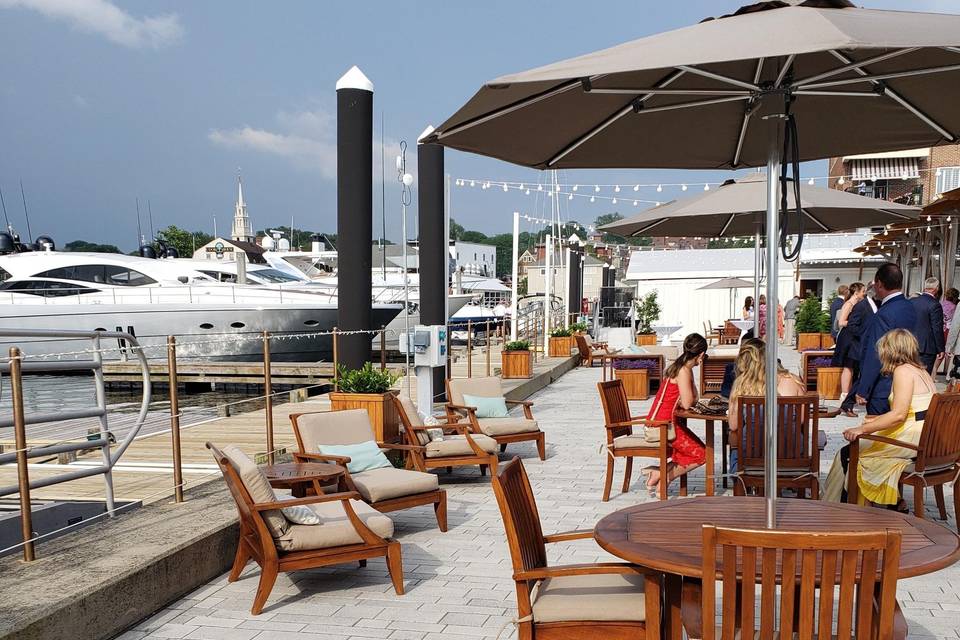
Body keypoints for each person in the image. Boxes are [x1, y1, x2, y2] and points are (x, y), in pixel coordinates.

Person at [823, 329, 935, 507]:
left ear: (890, 351)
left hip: (911, 441)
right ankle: (886, 503)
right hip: (925, 438)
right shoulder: (922, 371)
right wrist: (876, 422)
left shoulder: (903, 372)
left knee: (848, 454)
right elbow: (912, 412)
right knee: (857, 448)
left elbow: (899, 415)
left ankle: (838, 508)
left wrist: (863, 429)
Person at [727, 339, 805, 474]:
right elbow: (802, 420)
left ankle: (744, 486)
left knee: (734, 442)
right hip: (790, 454)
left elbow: (733, 425)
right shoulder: (793, 381)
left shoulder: (741, 385)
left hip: (750, 458)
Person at [642, 333, 708, 492]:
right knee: (702, 454)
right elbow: (688, 403)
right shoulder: (684, 371)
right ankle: (663, 476)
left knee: (695, 449)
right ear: (701, 355)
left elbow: (692, 398)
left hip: (663, 420)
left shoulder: (682, 367)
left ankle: (658, 473)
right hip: (664, 425)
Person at [855, 263, 917, 416]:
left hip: (884, 386)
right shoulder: (911, 307)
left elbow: (875, 353)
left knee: (879, 435)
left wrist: (863, 388)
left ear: (879, 284)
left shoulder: (884, 314)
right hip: (908, 382)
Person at [838, 285, 878, 417]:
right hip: (861, 346)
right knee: (862, 375)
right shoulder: (861, 306)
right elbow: (852, 325)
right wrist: (865, 337)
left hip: (869, 345)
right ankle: (848, 403)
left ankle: (849, 403)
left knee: (862, 376)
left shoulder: (873, 305)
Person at [831, 282, 866, 408]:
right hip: (848, 338)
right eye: (863, 291)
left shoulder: (858, 305)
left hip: (854, 337)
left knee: (854, 366)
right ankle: (844, 395)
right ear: (856, 293)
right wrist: (856, 323)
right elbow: (841, 322)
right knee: (848, 366)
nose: (864, 294)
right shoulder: (849, 304)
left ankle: (851, 394)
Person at [911, 277, 945, 375]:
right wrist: (940, 349)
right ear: (936, 288)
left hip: (911, 345)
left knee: (911, 375)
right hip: (926, 348)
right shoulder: (935, 305)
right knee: (923, 377)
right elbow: (937, 328)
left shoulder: (912, 302)